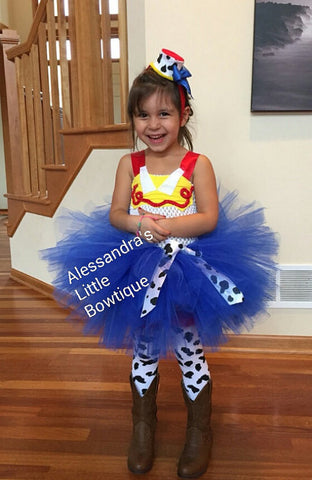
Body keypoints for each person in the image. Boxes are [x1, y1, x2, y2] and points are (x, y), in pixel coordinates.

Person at [41, 49, 278, 478]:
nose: (153, 125)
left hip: (186, 271)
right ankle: (143, 426)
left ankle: (198, 431)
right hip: (138, 268)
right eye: (143, 115)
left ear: (183, 115)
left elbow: (208, 217)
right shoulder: (128, 164)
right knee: (144, 349)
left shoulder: (196, 164)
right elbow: (115, 213)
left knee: (189, 349)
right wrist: (137, 222)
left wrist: (166, 227)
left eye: (164, 113)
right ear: (133, 119)